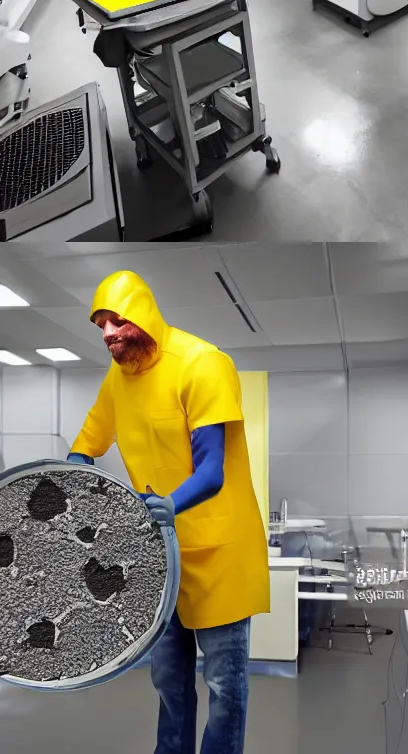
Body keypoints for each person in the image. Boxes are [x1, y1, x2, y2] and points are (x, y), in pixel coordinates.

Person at [67, 271, 270, 754]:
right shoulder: (117, 380)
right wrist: (71, 490)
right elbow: (84, 447)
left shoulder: (201, 364)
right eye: (100, 325)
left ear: (142, 315)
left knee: (224, 687)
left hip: (220, 551)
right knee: (168, 682)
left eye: (115, 320)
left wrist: (169, 505)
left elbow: (212, 471)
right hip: (161, 554)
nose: (107, 333)